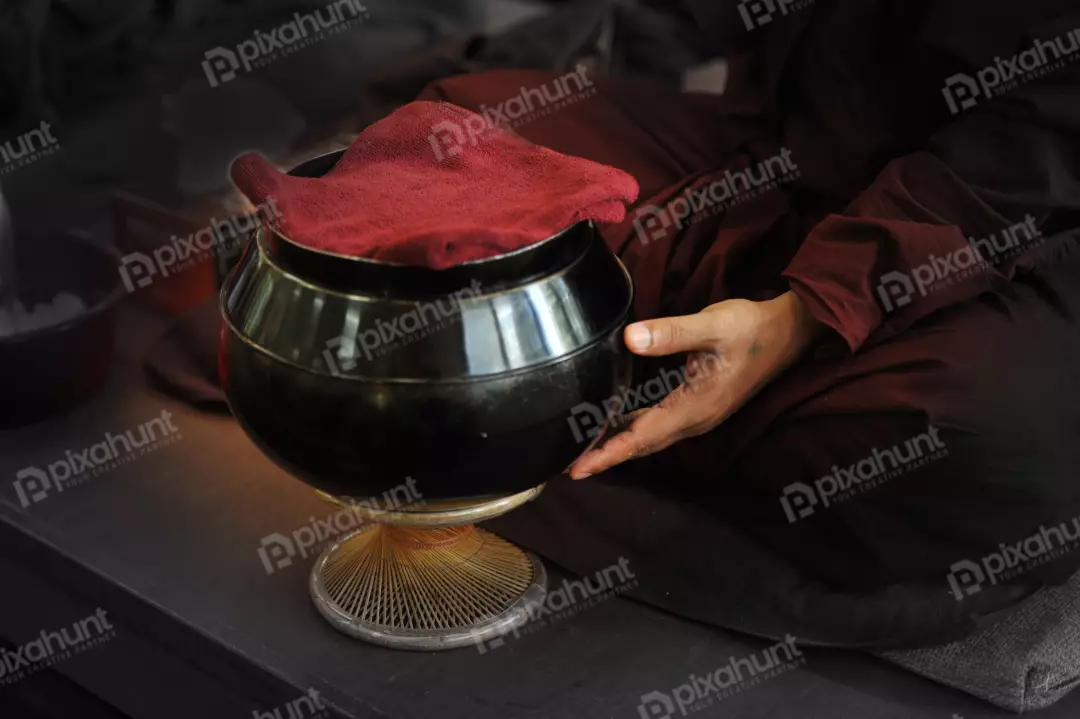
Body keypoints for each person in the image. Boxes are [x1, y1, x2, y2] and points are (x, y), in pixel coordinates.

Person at [423, 0, 1080, 646]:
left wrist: (804, 316)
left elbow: (1016, 163)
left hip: (1007, 232)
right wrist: (614, 35)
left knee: (968, 435)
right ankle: (673, 433)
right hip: (788, 158)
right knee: (440, 146)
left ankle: (571, 424)